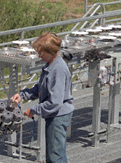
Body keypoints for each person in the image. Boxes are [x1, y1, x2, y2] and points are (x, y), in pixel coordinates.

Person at [10, 32, 74, 163]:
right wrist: (22, 95)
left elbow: (55, 102)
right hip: (55, 115)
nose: (40, 56)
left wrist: (33, 110)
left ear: (51, 51)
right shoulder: (51, 64)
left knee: (55, 156)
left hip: (58, 116)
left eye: (42, 53)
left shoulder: (58, 69)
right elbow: (40, 88)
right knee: (57, 154)